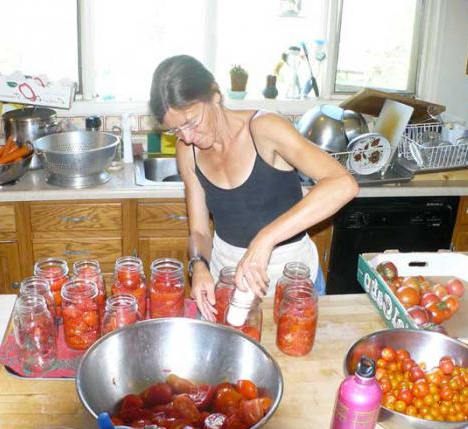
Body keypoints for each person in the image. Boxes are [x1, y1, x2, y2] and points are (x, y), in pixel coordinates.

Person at [149, 55, 358, 321]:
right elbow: (200, 231)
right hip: (226, 281)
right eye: (175, 130)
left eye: (191, 122)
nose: (187, 137)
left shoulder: (265, 129)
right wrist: (199, 265)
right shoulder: (187, 151)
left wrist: (264, 239)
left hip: (288, 279)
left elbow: (343, 184)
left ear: (215, 95)